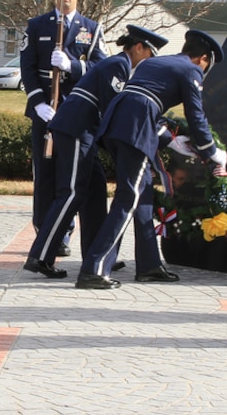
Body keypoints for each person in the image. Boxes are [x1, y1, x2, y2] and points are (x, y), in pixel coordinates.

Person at [77, 30, 226, 289]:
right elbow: (196, 115)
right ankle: (94, 268)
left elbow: (144, 99)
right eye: (206, 66)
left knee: (143, 192)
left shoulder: (155, 62)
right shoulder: (190, 70)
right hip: (135, 128)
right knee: (129, 197)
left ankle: (149, 265)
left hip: (121, 124)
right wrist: (212, 152)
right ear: (202, 59)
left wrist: (171, 140)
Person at [23, 25, 167, 279]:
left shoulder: (120, 65)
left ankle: (95, 253)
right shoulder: (119, 66)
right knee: (71, 192)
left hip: (84, 130)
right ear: (138, 48)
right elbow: (117, 109)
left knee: (95, 188)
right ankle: (40, 255)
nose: (151, 61)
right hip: (77, 128)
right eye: (150, 54)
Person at [21, 0, 107, 243]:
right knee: (44, 172)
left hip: (75, 112)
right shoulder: (37, 26)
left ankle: (65, 232)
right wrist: (37, 103)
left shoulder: (91, 29)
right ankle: (44, 231)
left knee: (69, 174)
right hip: (45, 110)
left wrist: (73, 65)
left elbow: (100, 67)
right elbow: (28, 68)